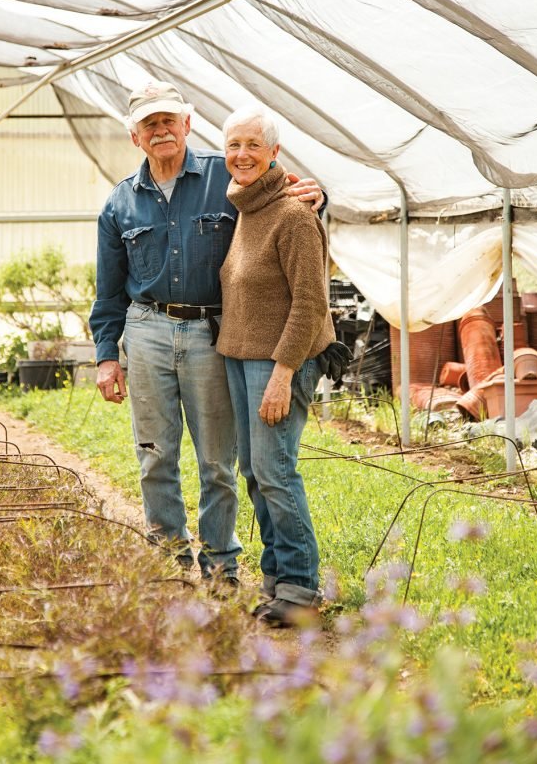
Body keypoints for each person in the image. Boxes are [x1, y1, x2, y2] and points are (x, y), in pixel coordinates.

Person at [90, 80, 326, 585]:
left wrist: (318, 195)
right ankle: (168, 557)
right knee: (155, 455)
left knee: (218, 460)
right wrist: (107, 356)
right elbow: (107, 292)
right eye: (149, 124)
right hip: (148, 327)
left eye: (169, 120)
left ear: (187, 124)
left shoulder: (229, 174)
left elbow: (285, 204)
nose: (161, 131)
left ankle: (221, 564)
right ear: (135, 136)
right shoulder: (119, 204)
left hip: (212, 333)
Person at [216, 103, 350, 625]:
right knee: (254, 470)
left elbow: (311, 303)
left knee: (276, 470)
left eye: (254, 145)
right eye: (234, 145)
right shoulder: (248, 208)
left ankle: (300, 591)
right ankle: (276, 581)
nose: (242, 154)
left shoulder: (294, 216)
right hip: (240, 356)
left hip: (277, 363)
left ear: (276, 152)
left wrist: (284, 371)